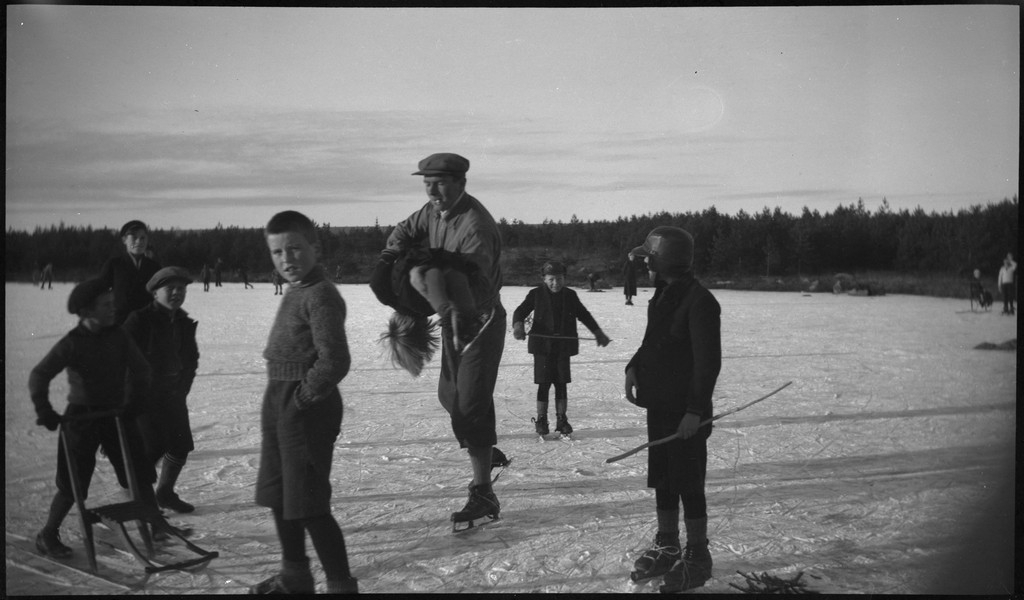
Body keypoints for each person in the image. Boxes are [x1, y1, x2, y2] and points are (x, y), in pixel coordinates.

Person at [379, 152, 507, 529]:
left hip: (478, 321)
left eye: (441, 183)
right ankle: (483, 446)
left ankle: (482, 489)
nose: (432, 191)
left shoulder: (476, 226)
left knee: (470, 407)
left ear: (461, 184)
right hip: (452, 319)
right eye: (427, 183)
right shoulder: (431, 212)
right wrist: (392, 257)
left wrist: (426, 276)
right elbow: (403, 231)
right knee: (451, 399)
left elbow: (468, 280)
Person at [250, 210, 357, 594]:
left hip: (306, 407)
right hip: (280, 401)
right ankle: (295, 576)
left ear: (315, 247)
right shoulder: (297, 290)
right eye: (277, 252)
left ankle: (341, 587)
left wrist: (300, 400)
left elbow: (334, 359)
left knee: (309, 504)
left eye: (294, 249)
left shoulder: (321, 294)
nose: (286, 260)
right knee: (281, 496)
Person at [28, 278, 156, 559]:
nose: (114, 308)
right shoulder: (72, 343)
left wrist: (135, 401)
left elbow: (142, 370)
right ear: (87, 311)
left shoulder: (119, 336)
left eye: (113, 303)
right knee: (73, 484)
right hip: (82, 418)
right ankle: (48, 534)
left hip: (117, 415)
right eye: (106, 305)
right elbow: (39, 375)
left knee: (138, 471)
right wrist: (44, 410)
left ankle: (154, 523)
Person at [623, 226, 721, 593]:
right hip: (661, 406)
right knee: (664, 477)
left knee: (689, 482)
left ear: (661, 261)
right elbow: (653, 342)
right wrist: (633, 365)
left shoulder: (701, 302)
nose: (645, 264)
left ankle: (698, 554)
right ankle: (668, 543)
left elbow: (708, 364)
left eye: (648, 258)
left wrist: (695, 412)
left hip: (687, 415)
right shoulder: (663, 295)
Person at [123, 267, 200, 514]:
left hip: (173, 396)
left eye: (182, 289)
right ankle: (143, 505)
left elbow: (191, 360)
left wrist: (183, 388)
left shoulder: (184, 322)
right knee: (150, 451)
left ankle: (165, 493)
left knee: (180, 446)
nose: (177, 293)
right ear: (155, 293)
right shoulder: (139, 320)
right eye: (171, 288)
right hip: (142, 399)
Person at [512, 261, 610, 436]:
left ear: (564, 278)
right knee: (543, 383)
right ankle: (541, 419)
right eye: (551, 279)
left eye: (559, 279)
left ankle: (561, 419)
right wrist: (518, 326)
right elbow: (520, 311)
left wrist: (598, 332)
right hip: (542, 347)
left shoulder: (570, 295)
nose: (555, 283)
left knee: (561, 383)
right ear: (544, 279)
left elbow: (584, 315)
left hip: (563, 346)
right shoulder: (535, 294)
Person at [371, 244, 481, 377]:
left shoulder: (430, 306)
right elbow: (380, 273)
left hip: (448, 248)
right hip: (417, 242)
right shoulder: (384, 294)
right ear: (394, 324)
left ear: (423, 333)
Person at [98, 220, 162, 325]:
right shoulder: (114, 265)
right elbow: (100, 294)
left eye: (142, 238)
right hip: (119, 324)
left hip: (147, 324)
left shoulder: (154, 267)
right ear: (124, 240)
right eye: (134, 238)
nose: (139, 242)